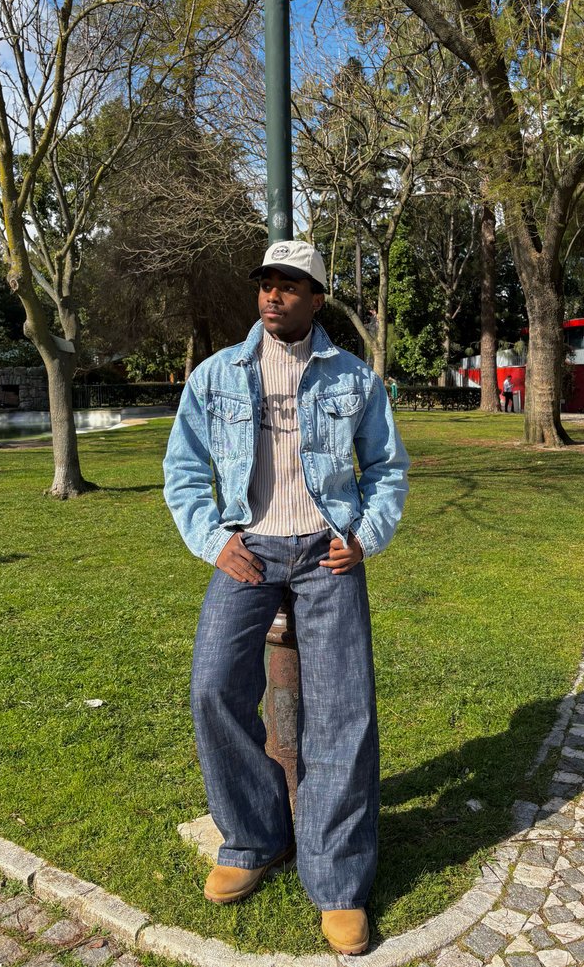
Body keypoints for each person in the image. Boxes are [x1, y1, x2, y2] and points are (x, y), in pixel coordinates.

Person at [163, 240, 409, 956]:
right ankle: (254, 835)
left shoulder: (356, 380)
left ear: (317, 298)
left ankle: (337, 882)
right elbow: (183, 469)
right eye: (266, 283)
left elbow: (388, 468)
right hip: (250, 550)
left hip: (328, 550)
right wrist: (215, 539)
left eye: (290, 285)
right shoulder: (215, 376)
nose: (273, 296)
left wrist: (365, 533)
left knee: (344, 706)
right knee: (212, 684)